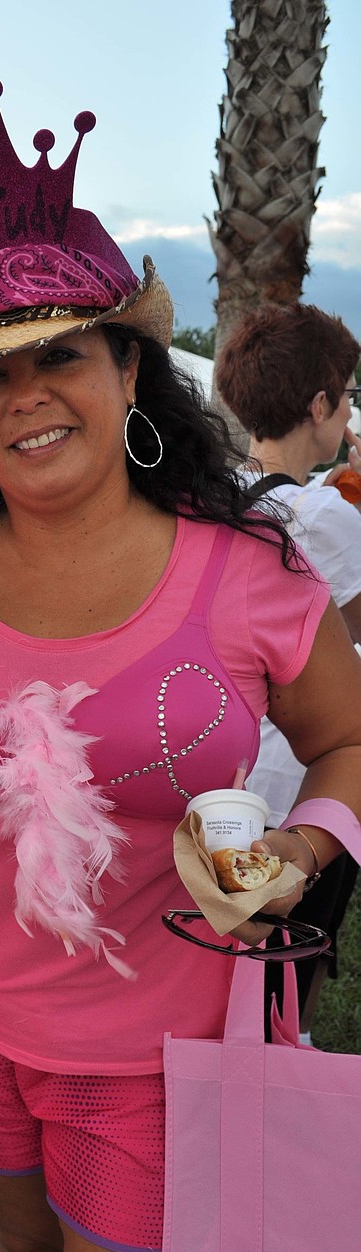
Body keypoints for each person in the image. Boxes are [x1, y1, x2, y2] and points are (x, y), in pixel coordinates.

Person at [0, 84, 361, 1252]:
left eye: (61, 355)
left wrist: (302, 854)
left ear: (132, 371)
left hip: (164, 1058)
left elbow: (352, 743)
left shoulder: (247, 575)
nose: (26, 394)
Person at [215, 302, 361, 1033]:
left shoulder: (223, 498)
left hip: (232, 783)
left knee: (231, 972)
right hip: (305, 793)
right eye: (348, 396)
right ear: (320, 405)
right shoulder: (326, 517)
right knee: (286, 983)